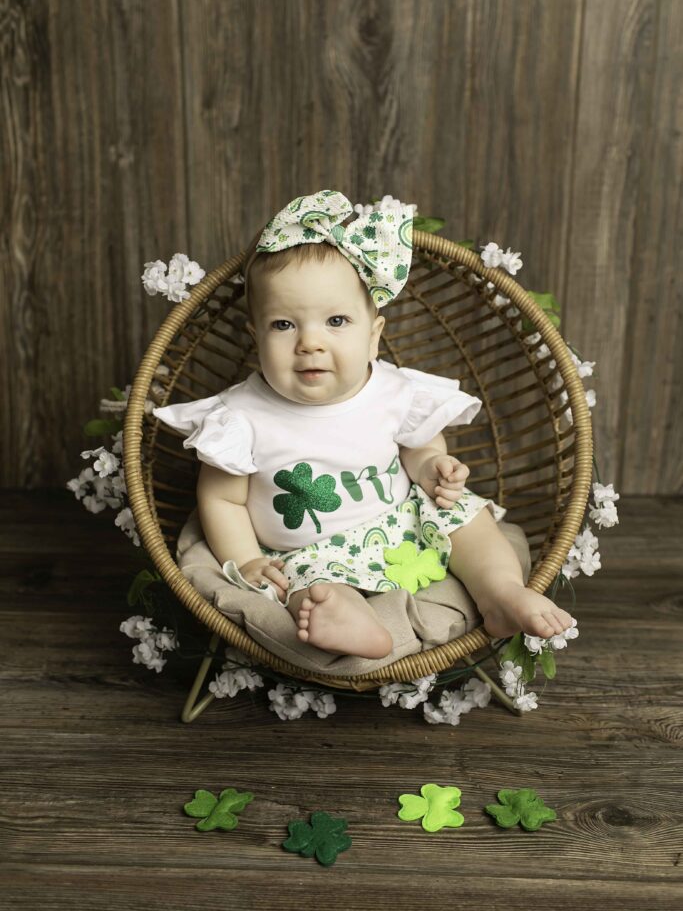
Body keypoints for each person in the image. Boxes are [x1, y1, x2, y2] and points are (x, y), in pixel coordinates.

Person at [153, 189, 573, 659]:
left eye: (336, 320)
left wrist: (436, 469)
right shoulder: (240, 416)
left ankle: (500, 594)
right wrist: (249, 560)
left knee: (466, 519)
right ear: (255, 337)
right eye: (283, 325)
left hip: (403, 522)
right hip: (310, 553)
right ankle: (350, 620)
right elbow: (222, 499)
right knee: (307, 591)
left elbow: (420, 451)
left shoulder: (393, 391)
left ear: (374, 336)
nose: (309, 343)